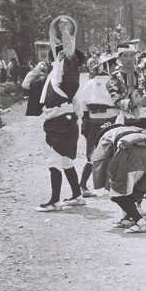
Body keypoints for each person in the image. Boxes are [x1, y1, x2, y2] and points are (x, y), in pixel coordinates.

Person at [36, 21, 87, 211]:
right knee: (66, 161)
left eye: (64, 52)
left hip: (63, 123)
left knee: (53, 161)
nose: (61, 54)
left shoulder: (70, 73)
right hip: (56, 121)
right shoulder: (55, 74)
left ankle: (55, 201)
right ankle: (77, 196)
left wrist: (65, 33)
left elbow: (70, 56)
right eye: (58, 52)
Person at [75, 52, 118, 196]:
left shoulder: (89, 83)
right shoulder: (112, 83)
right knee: (111, 152)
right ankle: (109, 187)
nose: (115, 67)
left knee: (93, 153)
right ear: (106, 66)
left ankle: (83, 185)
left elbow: (83, 105)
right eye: (112, 65)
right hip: (109, 120)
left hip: (95, 120)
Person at [108, 45, 146, 129]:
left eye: (132, 55)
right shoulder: (114, 77)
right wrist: (134, 102)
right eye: (125, 56)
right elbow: (116, 100)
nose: (129, 59)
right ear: (119, 58)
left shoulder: (143, 72)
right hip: (126, 120)